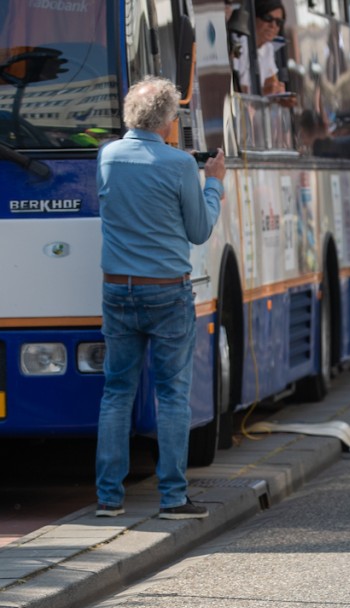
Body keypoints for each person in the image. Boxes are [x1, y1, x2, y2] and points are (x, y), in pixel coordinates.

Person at [94, 77, 226, 519]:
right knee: (171, 394)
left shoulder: (108, 156)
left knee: (116, 391)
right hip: (166, 291)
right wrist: (214, 184)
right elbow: (199, 230)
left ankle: (109, 498)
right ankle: (172, 497)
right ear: (170, 119)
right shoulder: (179, 165)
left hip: (117, 287)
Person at [234, 0, 288, 97]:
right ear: (254, 17)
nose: (273, 26)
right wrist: (263, 92)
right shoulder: (238, 44)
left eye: (278, 22)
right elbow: (234, 87)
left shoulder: (268, 48)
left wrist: (279, 91)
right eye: (268, 18)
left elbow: (272, 82)